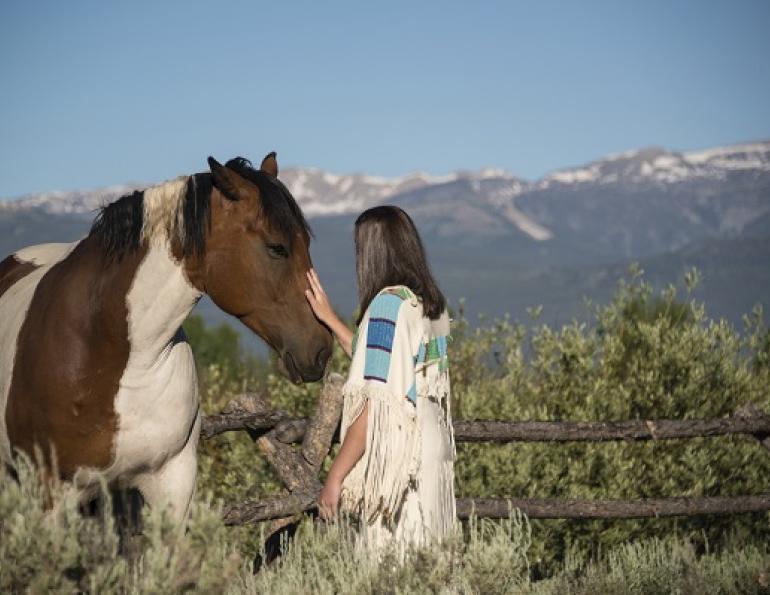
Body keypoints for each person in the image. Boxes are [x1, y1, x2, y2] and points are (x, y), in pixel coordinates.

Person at [305, 205, 456, 555]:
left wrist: (335, 477)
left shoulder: (386, 307)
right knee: (429, 560)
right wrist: (330, 318)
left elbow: (377, 401)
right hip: (433, 452)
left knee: (391, 563)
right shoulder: (430, 307)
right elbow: (384, 363)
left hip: (400, 461)